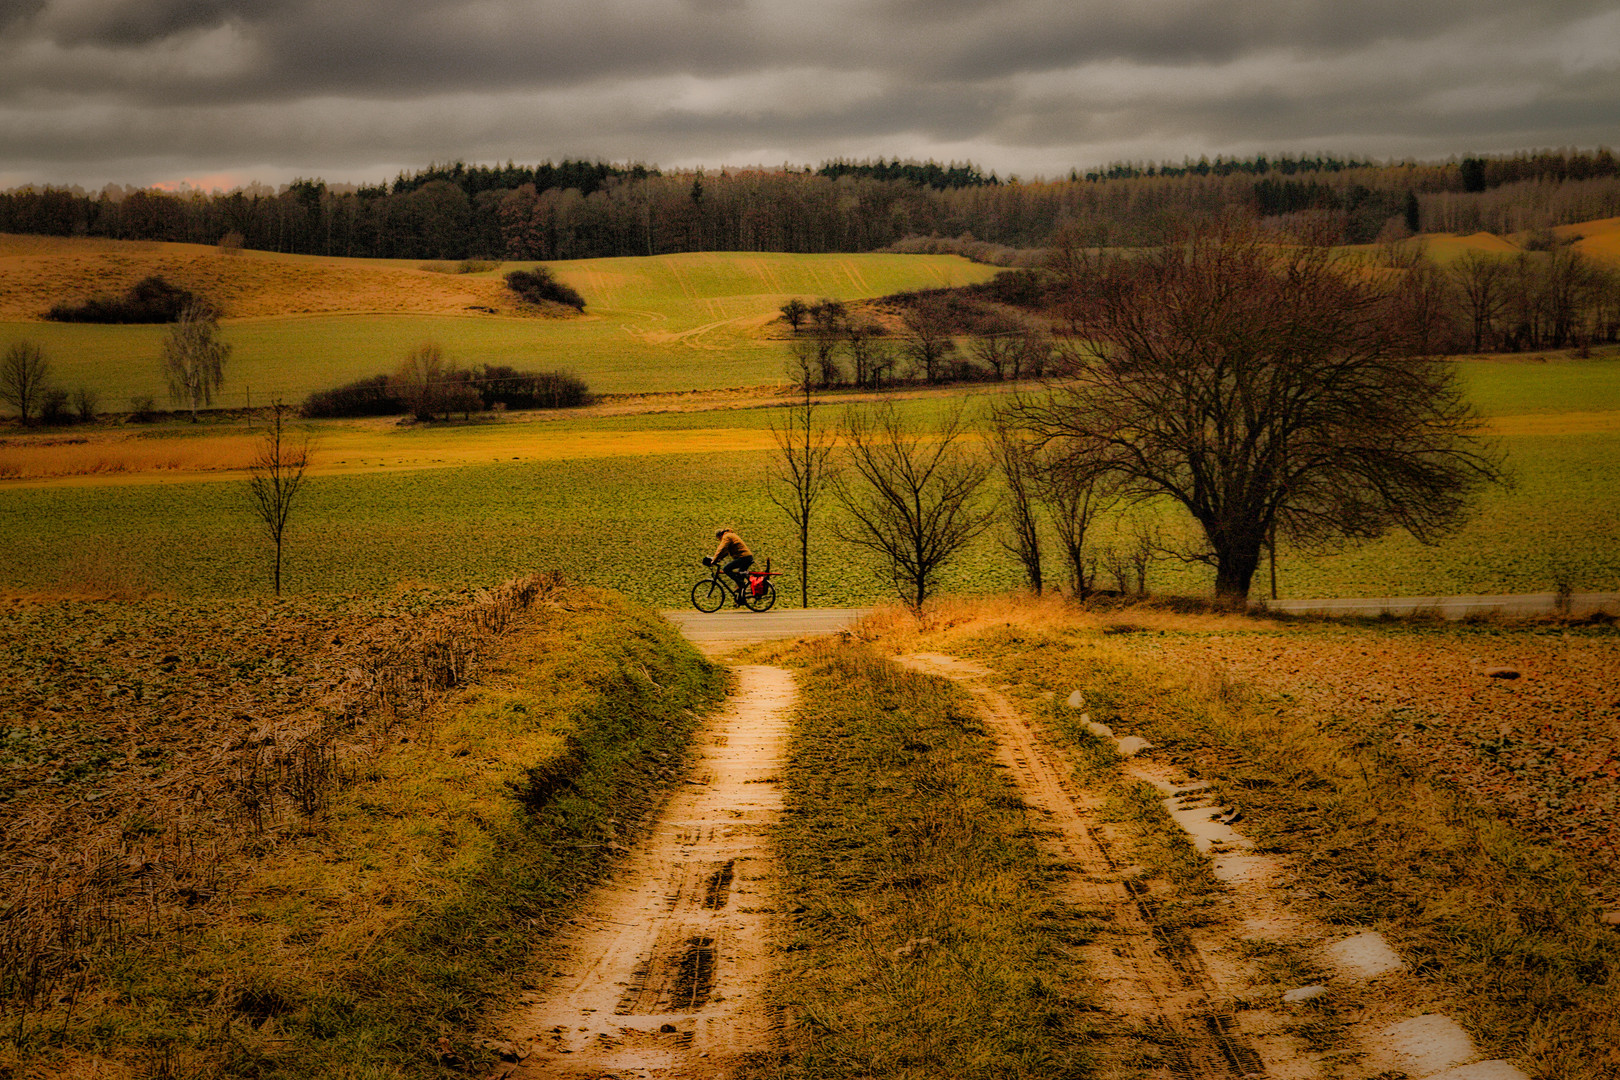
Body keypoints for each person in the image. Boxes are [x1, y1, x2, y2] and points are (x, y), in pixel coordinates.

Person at [705, 527, 754, 605]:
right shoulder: (730, 535)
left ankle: (741, 584)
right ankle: (741, 599)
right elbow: (726, 552)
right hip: (746, 557)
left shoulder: (726, 536)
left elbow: (721, 548)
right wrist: (719, 559)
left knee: (726, 569)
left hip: (743, 557)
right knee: (740, 575)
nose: (720, 540)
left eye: (718, 539)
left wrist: (714, 559)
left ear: (719, 536)